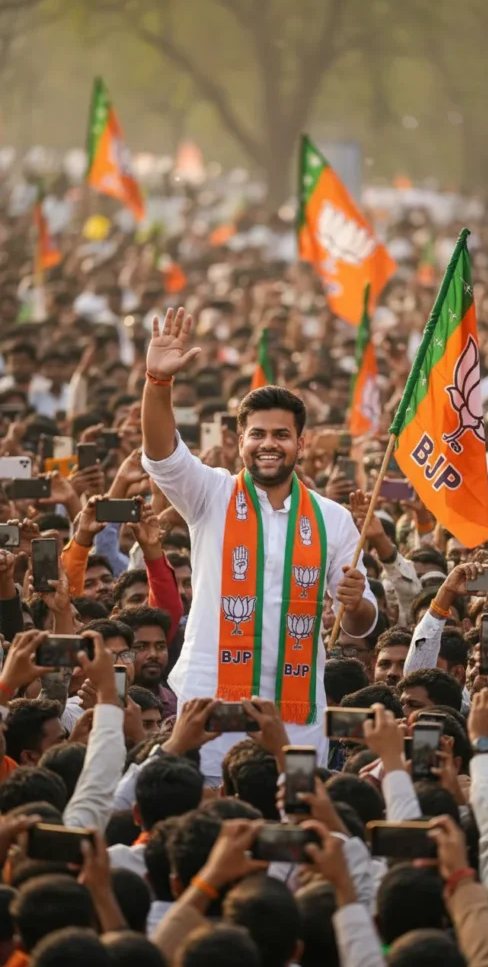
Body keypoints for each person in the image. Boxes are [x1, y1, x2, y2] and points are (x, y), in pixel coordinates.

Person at [142, 312, 377, 780]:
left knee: (293, 806)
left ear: (301, 444)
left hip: (296, 714)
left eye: (281, 435)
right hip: (209, 706)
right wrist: (158, 382)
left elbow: (361, 623)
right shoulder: (210, 495)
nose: (269, 444)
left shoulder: (333, 518)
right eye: (259, 434)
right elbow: (162, 453)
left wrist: (353, 605)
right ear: (240, 441)